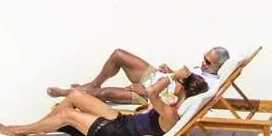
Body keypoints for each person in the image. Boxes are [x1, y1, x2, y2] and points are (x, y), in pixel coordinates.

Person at [0, 69, 209, 136]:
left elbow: (152, 93)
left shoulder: (172, 112)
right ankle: (43, 125)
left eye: (177, 84)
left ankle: (22, 130)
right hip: (122, 122)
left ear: (183, 88)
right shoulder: (172, 104)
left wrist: (172, 76)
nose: (174, 84)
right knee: (76, 95)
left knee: (68, 114)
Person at [47, 46, 230, 103]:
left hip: (151, 96)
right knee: (118, 55)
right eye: (204, 58)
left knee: (105, 94)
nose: (202, 63)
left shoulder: (209, 85)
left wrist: (145, 91)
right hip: (157, 78)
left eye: (207, 62)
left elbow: (175, 100)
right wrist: (171, 72)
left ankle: (67, 93)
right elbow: (179, 80)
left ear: (218, 65)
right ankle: (94, 83)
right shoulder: (201, 70)